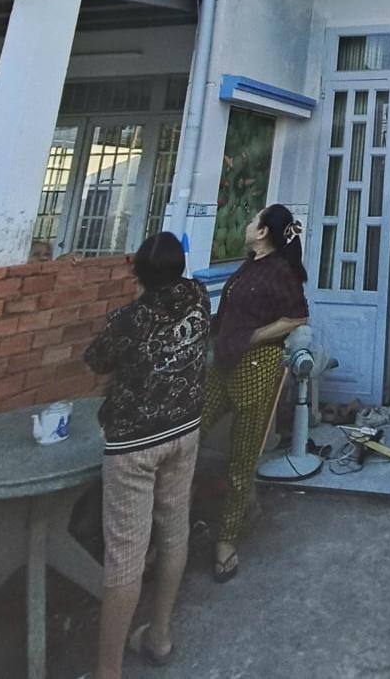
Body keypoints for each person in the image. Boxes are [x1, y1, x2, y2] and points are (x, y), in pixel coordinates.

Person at [82, 232, 210, 677]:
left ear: (138, 272)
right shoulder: (198, 300)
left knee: (125, 557)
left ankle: (108, 671)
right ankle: (159, 636)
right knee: (174, 534)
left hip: (135, 445)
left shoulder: (129, 321)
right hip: (185, 431)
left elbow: (96, 360)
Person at [201, 204, 308, 582]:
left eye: (253, 221)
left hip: (256, 367)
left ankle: (226, 539)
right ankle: (179, 523)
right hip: (223, 363)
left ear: (262, 231)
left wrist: (254, 337)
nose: (247, 224)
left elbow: (297, 317)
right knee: (191, 432)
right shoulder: (249, 265)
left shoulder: (279, 271)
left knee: (242, 456)